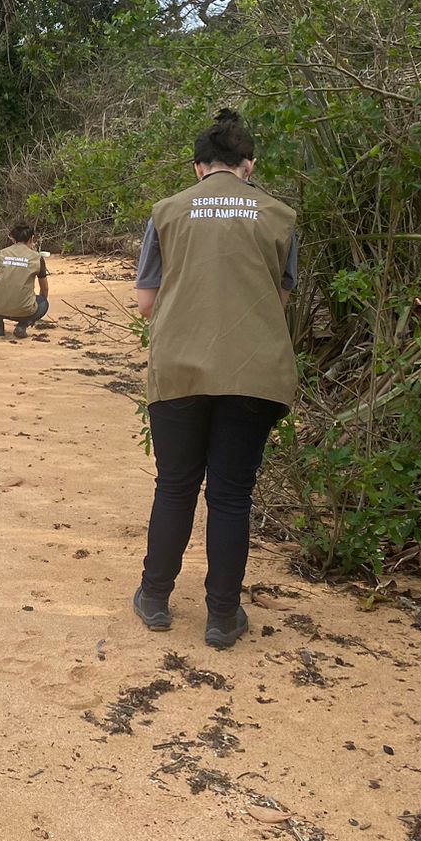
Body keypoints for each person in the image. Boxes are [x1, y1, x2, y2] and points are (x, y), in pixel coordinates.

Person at [132, 110, 298, 649]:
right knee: (231, 495)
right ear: (248, 166)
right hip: (254, 372)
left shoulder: (166, 211)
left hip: (179, 368)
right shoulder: (279, 215)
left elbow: (146, 302)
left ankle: (155, 599)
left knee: (176, 485)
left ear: (198, 167)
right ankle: (222, 617)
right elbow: (280, 299)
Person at [0, 222, 50, 338]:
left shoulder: (1, 254)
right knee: (44, 303)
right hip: (25, 310)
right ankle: (23, 325)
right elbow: (45, 288)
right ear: (32, 239)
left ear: (12, 239)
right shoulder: (37, 258)